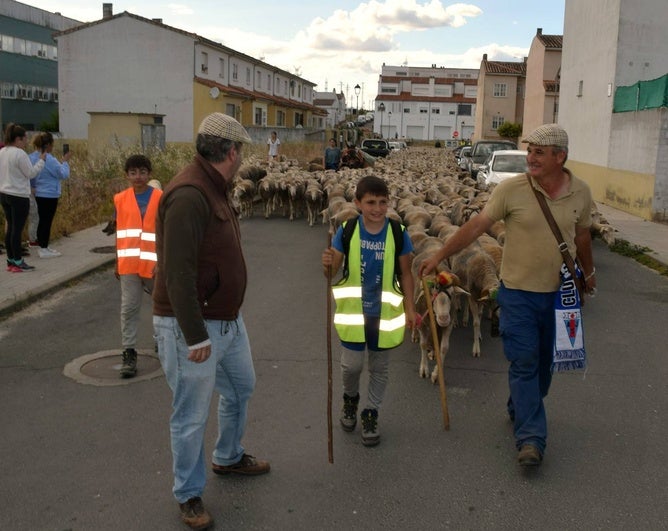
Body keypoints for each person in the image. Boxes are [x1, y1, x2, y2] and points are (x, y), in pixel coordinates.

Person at [418, 124, 596, 467]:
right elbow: (474, 228)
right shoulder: (511, 190)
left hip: (559, 296)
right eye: (528, 151)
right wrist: (439, 255)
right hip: (516, 294)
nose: (530, 158)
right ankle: (531, 438)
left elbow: (584, 236)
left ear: (561, 157)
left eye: (538, 153)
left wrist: (588, 274)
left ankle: (520, 404)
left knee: (545, 366)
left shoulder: (582, 193)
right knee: (524, 360)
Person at [152, 113, 270, 530]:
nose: (242, 159)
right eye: (242, 152)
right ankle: (188, 494)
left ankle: (228, 455)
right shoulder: (189, 194)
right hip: (196, 327)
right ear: (232, 152)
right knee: (190, 413)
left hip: (227, 322)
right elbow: (176, 272)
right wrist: (194, 335)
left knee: (241, 387)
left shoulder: (214, 188)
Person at [321, 175, 416, 447]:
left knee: (379, 367)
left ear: (389, 203)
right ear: (358, 203)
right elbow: (332, 271)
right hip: (354, 313)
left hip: (384, 314)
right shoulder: (347, 231)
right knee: (352, 366)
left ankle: (371, 411)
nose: (377, 208)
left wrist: (410, 307)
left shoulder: (398, 233)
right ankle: (350, 399)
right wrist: (326, 263)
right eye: (371, 202)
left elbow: (406, 274)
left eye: (383, 202)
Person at [113, 154, 162, 378]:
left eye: (142, 172)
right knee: (129, 308)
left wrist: (164, 262)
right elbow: (120, 234)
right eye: (133, 173)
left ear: (149, 173)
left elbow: (167, 233)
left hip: (154, 266)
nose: (138, 177)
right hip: (129, 265)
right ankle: (129, 352)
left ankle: (161, 342)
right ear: (127, 175)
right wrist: (117, 261)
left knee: (162, 306)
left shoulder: (161, 198)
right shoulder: (120, 199)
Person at [0, 123, 45, 272]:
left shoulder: (3, 152)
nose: (27, 141)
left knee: (11, 228)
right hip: (18, 195)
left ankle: (10, 261)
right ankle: (18, 261)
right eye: (25, 138)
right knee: (17, 230)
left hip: (4, 193)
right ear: (18, 139)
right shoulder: (20, 154)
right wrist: (41, 161)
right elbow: (31, 173)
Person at [28, 132, 71, 258]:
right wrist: (65, 162)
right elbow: (63, 174)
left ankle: (43, 245)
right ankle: (43, 248)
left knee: (42, 220)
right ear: (47, 145)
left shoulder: (31, 157)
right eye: (52, 144)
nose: (53, 146)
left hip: (38, 192)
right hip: (49, 193)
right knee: (46, 221)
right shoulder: (50, 159)